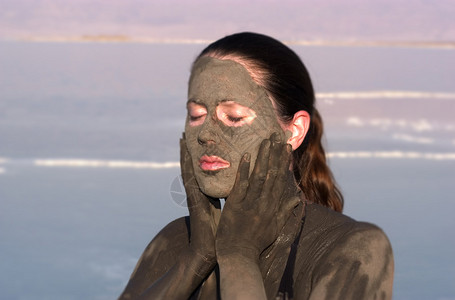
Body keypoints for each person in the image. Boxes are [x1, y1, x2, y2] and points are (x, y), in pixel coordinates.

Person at [118, 32, 394, 300]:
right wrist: (196, 259)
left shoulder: (352, 249)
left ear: (294, 131)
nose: (205, 134)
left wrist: (239, 255)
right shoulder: (176, 240)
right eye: (196, 115)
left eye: (234, 117)